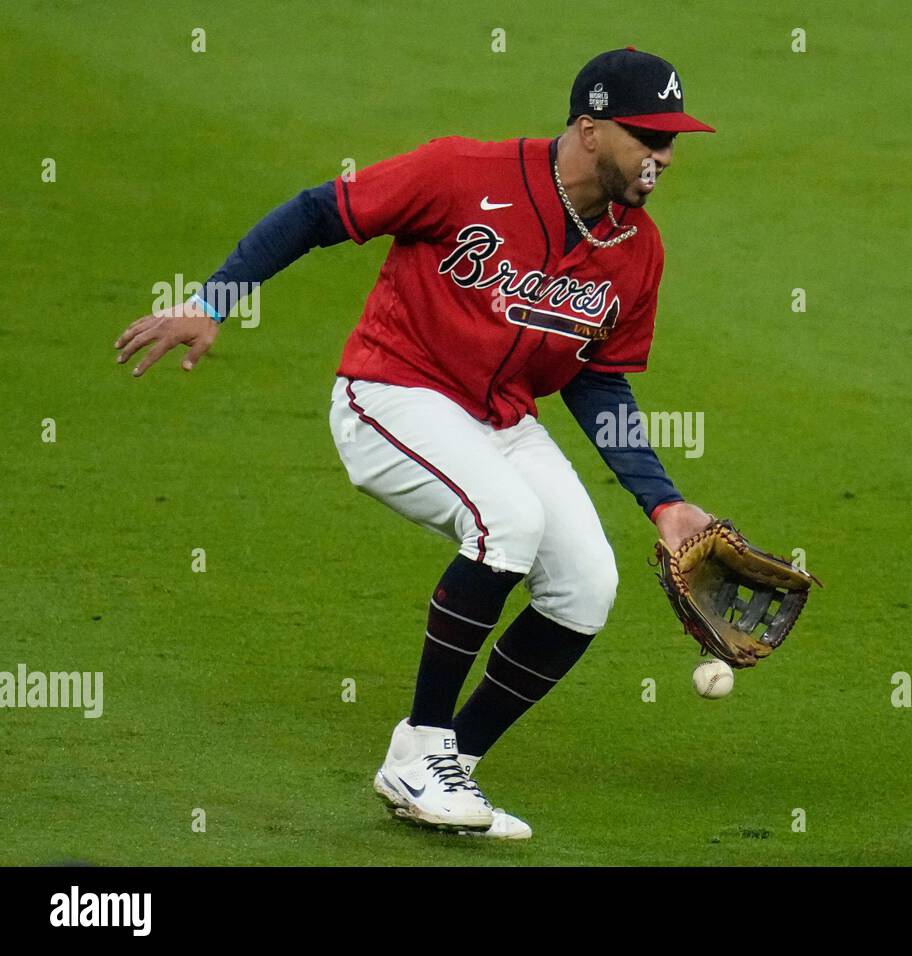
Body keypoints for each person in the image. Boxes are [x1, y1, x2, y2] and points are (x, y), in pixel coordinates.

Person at [113, 47, 716, 839]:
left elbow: (597, 379)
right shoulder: (462, 173)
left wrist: (663, 502)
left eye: (672, 140)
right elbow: (317, 211)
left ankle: (449, 769)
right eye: (648, 136)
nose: (664, 155)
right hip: (390, 393)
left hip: (497, 417)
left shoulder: (637, 250)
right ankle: (417, 748)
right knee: (507, 522)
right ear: (590, 129)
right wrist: (214, 301)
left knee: (586, 586)